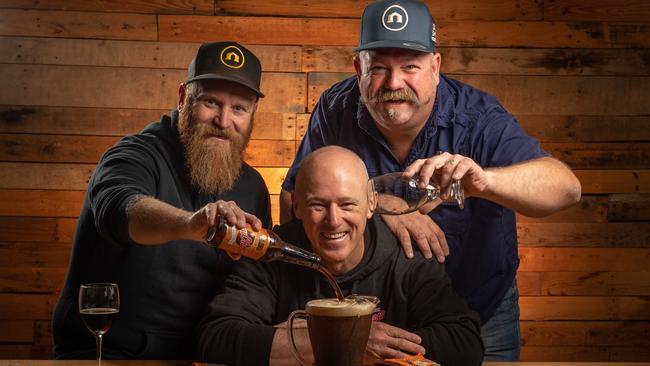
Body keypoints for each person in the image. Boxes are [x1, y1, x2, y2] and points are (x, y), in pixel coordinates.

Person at [279, 0, 582, 361]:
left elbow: (566, 188)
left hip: (480, 309)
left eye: (410, 67)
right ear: (356, 67)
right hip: (379, 317)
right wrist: (380, 208)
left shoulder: (479, 117)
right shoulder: (335, 109)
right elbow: (294, 201)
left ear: (436, 67)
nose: (394, 83)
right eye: (378, 68)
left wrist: (483, 181)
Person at [52, 41, 272, 360]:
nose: (224, 122)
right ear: (183, 98)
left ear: (252, 113)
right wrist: (192, 224)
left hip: (199, 356)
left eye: (239, 108)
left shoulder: (253, 186)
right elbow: (121, 210)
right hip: (107, 352)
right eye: (210, 102)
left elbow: (250, 287)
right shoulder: (133, 155)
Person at [196, 146, 484, 366]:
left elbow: (465, 343)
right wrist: (349, 343)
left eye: (347, 204)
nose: (334, 221)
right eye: (317, 205)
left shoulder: (405, 252)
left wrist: (297, 343)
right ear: (295, 206)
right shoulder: (272, 252)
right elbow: (216, 337)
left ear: (372, 203)